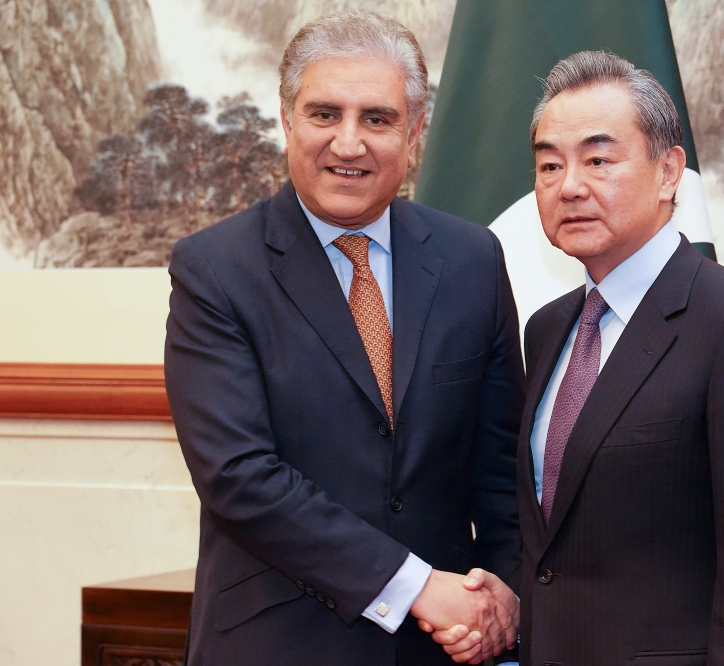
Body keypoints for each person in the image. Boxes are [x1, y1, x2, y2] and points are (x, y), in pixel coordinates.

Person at [432, 50, 724, 665]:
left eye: (598, 159)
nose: (570, 186)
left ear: (669, 172)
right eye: (549, 165)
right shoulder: (548, 327)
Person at [164, 10, 521, 665]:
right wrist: (416, 587)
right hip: (278, 645)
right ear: (287, 120)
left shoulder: (473, 259)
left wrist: (502, 593)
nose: (349, 143)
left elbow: (501, 472)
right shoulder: (213, 270)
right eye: (325, 114)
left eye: (378, 119)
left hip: (444, 648)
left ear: (415, 133)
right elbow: (239, 477)